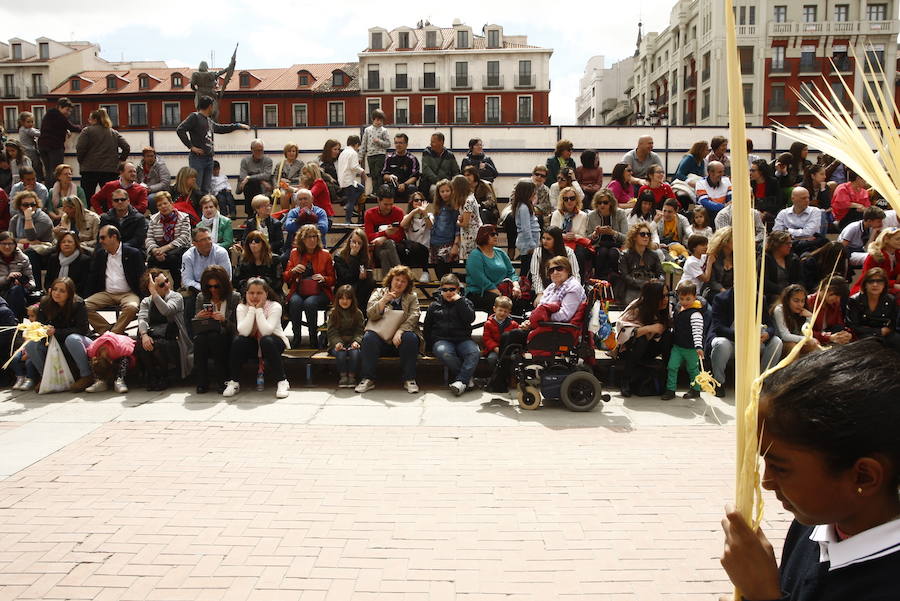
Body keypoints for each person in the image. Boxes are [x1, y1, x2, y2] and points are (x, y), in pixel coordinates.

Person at [719, 339, 900, 601]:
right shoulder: (813, 526)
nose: (766, 481)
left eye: (780, 467)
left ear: (864, 476)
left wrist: (763, 595)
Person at [355, 265, 423, 394]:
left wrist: (400, 331)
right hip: (381, 337)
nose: (399, 283)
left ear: (407, 284)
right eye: (397, 279)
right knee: (368, 337)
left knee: (411, 337)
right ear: (391, 280)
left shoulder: (411, 296)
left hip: (400, 340)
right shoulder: (378, 293)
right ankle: (368, 378)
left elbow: (415, 315)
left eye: (403, 281)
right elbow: (370, 314)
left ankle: (409, 379)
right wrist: (383, 301)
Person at [707, 286, 783, 397]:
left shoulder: (759, 298)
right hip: (731, 341)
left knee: (776, 342)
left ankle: (762, 381)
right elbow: (718, 327)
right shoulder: (721, 298)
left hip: (754, 342)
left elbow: (770, 324)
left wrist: (767, 334)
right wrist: (742, 336)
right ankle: (718, 382)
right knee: (721, 344)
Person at [22, 277, 93, 392]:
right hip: (53, 340)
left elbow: (82, 329)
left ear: (69, 293)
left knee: (72, 339)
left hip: (79, 339)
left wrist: (56, 332)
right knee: (31, 344)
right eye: (55, 289)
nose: (57, 293)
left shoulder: (78, 303)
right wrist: (41, 330)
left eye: (62, 291)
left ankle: (86, 376)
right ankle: (46, 377)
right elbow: (40, 325)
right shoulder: (45, 303)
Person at [223, 277, 290, 399]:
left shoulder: (275, 306)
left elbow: (266, 331)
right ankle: (234, 381)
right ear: (246, 293)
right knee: (238, 341)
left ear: (266, 293)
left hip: (273, 343)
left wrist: (258, 309)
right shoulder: (241, 307)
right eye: (251, 293)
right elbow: (243, 331)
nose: (255, 296)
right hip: (253, 344)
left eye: (259, 293)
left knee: (266, 340)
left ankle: (282, 381)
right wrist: (251, 310)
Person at [176, 95, 250, 194]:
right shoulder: (195, 117)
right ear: (210, 106)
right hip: (198, 158)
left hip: (209, 158)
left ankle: (204, 204)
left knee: (206, 189)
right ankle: (195, 204)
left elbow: (220, 128)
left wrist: (237, 125)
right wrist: (191, 147)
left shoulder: (208, 121)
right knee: (196, 188)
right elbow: (180, 129)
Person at [136, 269, 193, 391]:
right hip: (155, 335)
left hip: (174, 338)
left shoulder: (176, 296)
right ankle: (152, 376)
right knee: (142, 344)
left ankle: (164, 377)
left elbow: (167, 310)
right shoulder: (146, 301)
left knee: (158, 345)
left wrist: (154, 293)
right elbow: (142, 318)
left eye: (167, 281)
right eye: (162, 285)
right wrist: (144, 335)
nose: (167, 285)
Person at [613, 280, 671, 397]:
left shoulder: (666, 308)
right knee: (641, 340)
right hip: (629, 349)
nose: (665, 299)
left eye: (667, 295)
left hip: (651, 348)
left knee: (668, 336)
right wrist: (649, 328)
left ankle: (668, 381)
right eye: (662, 296)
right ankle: (625, 381)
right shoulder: (637, 308)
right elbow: (622, 331)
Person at [425, 273, 479, 396]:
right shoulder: (434, 306)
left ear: (458, 289)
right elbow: (427, 328)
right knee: (445, 353)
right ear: (441, 290)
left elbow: (470, 318)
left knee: (474, 352)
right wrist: (428, 346)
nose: (448, 292)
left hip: (463, 339)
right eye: (445, 290)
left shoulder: (466, 302)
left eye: (452, 289)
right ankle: (466, 378)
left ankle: (460, 381)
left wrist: (459, 302)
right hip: (442, 340)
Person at [85, 225, 144, 335]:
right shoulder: (100, 254)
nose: (100, 241)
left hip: (128, 293)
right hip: (107, 293)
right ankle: (108, 332)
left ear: (114, 237)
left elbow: (142, 277)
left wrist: (143, 297)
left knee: (132, 307)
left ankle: (113, 335)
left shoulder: (133, 253)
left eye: (103, 238)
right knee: (82, 306)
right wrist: (87, 295)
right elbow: (93, 277)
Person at [284, 225, 335, 349]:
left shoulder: (325, 255)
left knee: (310, 303)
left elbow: (333, 280)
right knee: (295, 302)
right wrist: (293, 271)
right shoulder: (294, 253)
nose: (312, 240)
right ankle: (297, 337)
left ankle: (313, 338)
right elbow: (285, 277)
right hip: (299, 290)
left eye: (314, 236)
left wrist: (324, 278)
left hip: (320, 291)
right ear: (302, 239)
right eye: (308, 237)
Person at [192, 265, 240, 394]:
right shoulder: (202, 297)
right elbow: (195, 326)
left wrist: (224, 320)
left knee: (215, 337)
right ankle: (202, 381)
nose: (213, 290)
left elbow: (237, 328)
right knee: (200, 339)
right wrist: (198, 317)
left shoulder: (234, 297)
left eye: (216, 286)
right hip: (205, 335)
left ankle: (222, 379)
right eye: (209, 286)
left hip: (226, 336)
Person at [662, 280, 704, 401]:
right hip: (677, 346)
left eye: (688, 299)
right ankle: (670, 390)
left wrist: (698, 347)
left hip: (691, 349)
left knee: (693, 369)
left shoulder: (696, 314)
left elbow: (697, 331)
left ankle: (696, 389)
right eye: (681, 299)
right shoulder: (677, 308)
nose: (684, 302)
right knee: (672, 366)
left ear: (695, 297)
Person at [181, 227, 232, 327]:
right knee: (189, 302)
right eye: (203, 240)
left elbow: (227, 277)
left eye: (209, 238)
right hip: (198, 290)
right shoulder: (188, 256)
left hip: (220, 287)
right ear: (194, 243)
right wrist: (205, 289)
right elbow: (187, 280)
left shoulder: (221, 252)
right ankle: (192, 332)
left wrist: (213, 288)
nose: (208, 242)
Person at [76, 108, 130, 198]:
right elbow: (126, 147)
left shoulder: (87, 131)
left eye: (90, 119)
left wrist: (81, 161)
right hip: (110, 170)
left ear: (95, 119)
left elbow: (80, 148)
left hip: (89, 169)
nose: (89, 121)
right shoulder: (114, 133)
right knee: (110, 198)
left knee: (87, 196)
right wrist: (120, 160)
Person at [465, 224, 520, 313]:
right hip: (480, 292)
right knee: (497, 301)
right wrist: (496, 291)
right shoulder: (475, 255)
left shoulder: (500, 252)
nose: (495, 236)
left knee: (520, 297)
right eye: (492, 234)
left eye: (496, 234)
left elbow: (511, 272)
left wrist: (516, 286)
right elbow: (479, 278)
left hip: (503, 289)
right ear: (483, 236)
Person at [145, 191, 192, 288]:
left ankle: (177, 287)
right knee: (152, 260)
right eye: (160, 205)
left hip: (180, 248)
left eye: (165, 203)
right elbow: (149, 238)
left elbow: (184, 237)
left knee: (172, 258)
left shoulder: (183, 217)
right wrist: (155, 250)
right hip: (159, 250)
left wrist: (165, 249)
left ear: (171, 203)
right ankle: (153, 287)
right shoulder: (153, 219)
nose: (163, 206)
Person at [846, 267, 900, 350]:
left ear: (884, 285)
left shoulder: (891, 300)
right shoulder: (854, 300)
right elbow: (853, 326)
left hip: (885, 334)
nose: (875, 284)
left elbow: (893, 323)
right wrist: (878, 331)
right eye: (871, 281)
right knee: (872, 344)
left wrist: (887, 330)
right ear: (865, 284)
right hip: (862, 335)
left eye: (879, 281)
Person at [326, 284, 366, 388]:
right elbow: (332, 331)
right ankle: (343, 376)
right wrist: (337, 343)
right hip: (337, 344)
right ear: (337, 299)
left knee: (355, 353)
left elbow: (360, 330)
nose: (345, 301)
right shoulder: (333, 313)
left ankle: (352, 376)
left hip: (353, 342)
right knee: (341, 353)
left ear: (352, 300)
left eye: (348, 298)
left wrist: (356, 341)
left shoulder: (358, 313)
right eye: (342, 298)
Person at [586, 189, 629, 280]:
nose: (602, 205)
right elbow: (587, 239)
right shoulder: (591, 215)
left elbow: (626, 238)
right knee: (602, 252)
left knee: (613, 253)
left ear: (611, 203)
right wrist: (595, 234)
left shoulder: (620, 213)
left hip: (617, 245)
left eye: (605, 202)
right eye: (599, 203)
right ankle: (599, 280)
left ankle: (615, 280)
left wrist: (612, 232)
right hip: (599, 245)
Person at [37, 97, 80, 188]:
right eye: (67, 110)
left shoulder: (49, 114)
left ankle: (49, 190)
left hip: (42, 145)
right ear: (60, 107)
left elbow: (55, 127)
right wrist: (83, 128)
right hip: (54, 146)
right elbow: (72, 127)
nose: (68, 113)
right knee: (56, 171)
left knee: (48, 171)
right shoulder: (59, 116)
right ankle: (54, 190)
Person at [618, 222, 663, 305]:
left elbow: (660, 273)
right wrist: (643, 284)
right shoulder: (625, 255)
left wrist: (658, 281)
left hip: (651, 288)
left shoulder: (654, 255)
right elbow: (624, 276)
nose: (646, 236)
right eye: (642, 234)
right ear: (634, 237)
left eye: (648, 234)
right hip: (632, 288)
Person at [530, 227, 578, 304]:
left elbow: (575, 274)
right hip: (544, 288)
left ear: (557, 240)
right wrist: (540, 293)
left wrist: (573, 292)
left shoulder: (568, 252)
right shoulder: (538, 252)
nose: (544, 241)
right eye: (543, 238)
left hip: (566, 288)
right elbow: (536, 275)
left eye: (548, 239)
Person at [773, 187, 826, 255]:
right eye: (803, 198)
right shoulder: (783, 213)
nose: (807, 200)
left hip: (808, 246)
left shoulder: (815, 211)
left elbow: (808, 232)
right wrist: (801, 238)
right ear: (793, 199)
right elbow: (776, 234)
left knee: (806, 256)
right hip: (787, 246)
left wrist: (787, 231)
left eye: (808, 198)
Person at [549, 186, 589, 275]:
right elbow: (552, 232)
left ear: (576, 200)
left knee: (580, 254)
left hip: (576, 242)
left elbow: (583, 235)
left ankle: (579, 279)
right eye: (566, 199)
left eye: (572, 198)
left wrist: (574, 236)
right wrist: (563, 236)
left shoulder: (583, 215)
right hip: (560, 242)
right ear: (562, 201)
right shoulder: (556, 214)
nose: (569, 201)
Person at [364, 185, 406, 270]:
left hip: (395, 246)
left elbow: (400, 235)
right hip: (376, 247)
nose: (388, 207)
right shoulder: (369, 214)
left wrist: (385, 237)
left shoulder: (398, 212)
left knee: (384, 253)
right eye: (386, 204)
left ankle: (392, 278)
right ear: (378, 200)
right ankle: (400, 272)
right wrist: (386, 233)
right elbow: (368, 237)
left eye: (391, 204)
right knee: (388, 244)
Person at [772, 284, 821, 357]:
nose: (800, 304)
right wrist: (806, 339)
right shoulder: (779, 310)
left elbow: (805, 333)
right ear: (787, 300)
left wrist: (809, 317)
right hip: (779, 343)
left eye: (802, 301)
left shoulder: (801, 312)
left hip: (795, 341)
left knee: (814, 346)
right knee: (793, 348)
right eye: (796, 301)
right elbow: (785, 336)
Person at [333, 228, 375, 310]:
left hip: (359, 284)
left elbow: (364, 271)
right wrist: (353, 256)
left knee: (369, 282)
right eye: (354, 241)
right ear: (349, 241)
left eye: (359, 243)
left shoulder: (364, 256)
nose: (356, 245)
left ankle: (362, 312)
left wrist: (363, 275)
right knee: (358, 289)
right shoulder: (339, 256)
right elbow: (345, 277)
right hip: (344, 285)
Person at [851, 227, 900, 297]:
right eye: (898, 239)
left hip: (887, 288)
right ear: (886, 239)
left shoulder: (897, 255)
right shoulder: (874, 256)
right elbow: (870, 279)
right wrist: (894, 285)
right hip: (870, 289)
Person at [232, 229, 281, 295]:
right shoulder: (243, 260)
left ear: (263, 243)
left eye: (257, 241)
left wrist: (262, 283)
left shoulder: (275, 259)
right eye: (250, 241)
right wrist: (249, 284)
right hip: (248, 293)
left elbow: (278, 282)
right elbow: (236, 281)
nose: (253, 243)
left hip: (270, 293)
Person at [808, 276, 853, 346]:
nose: (838, 300)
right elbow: (805, 332)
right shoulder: (808, 302)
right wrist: (829, 337)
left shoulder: (834, 304)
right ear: (826, 289)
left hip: (829, 338)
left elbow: (840, 325)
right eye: (836, 295)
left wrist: (847, 334)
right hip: (814, 341)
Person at [761, 230, 802, 308]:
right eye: (787, 243)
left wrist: (794, 291)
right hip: (772, 295)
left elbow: (800, 279)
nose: (790, 246)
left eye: (791, 243)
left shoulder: (794, 259)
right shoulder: (765, 259)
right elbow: (764, 282)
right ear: (776, 245)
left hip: (792, 294)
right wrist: (784, 291)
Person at [0, 231, 36, 319]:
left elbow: (32, 283)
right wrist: (7, 278)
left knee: (16, 290)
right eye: (3, 243)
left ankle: (14, 321)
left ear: (15, 245)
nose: (7, 246)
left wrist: (24, 283)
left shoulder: (23, 259)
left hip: (18, 293)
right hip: (1, 291)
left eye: (10, 244)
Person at [44, 231, 91, 298]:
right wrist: (50, 289)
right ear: (59, 244)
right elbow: (48, 279)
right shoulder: (53, 258)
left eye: (70, 242)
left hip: (75, 295)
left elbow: (83, 283)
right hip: (55, 293)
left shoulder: (84, 260)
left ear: (75, 244)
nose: (66, 244)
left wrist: (67, 293)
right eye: (63, 242)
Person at [399, 191, 433, 282]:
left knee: (414, 247)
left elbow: (430, 226)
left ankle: (425, 272)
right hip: (411, 250)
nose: (419, 202)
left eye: (421, 200)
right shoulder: (408, 217)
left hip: (424, 249)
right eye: (416, 200)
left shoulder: (429, 215)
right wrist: (414, 211)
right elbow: (402, 225)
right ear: (412, 202)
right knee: (402, 246)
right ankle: (407, 274)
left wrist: (424, 213)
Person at [481, 295, 519, 371]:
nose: (502, 313)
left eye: (505, 311)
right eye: (500, 310)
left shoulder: (513, 324)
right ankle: (493, 375)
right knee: (492, 359)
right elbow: (487, 338)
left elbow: (517, 336)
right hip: (494, 350)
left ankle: (510, 376)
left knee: (514, 360)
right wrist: (495, 348)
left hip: (508, 350)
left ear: (509, 312)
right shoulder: (488, 324)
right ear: (494, 309)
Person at [513, 180, 541, 276]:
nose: (534, 193)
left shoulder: (526, 205)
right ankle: (523, 283)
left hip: (531, 242)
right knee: (526, 268)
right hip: (527, 244)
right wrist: (532, 245)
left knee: (530, 267)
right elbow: (526, 228)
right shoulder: (523, 207)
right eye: (532, 191)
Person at [236, 139, 273, 214]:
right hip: (250, 186)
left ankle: (255, 214)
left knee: (251, 184)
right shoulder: (245, 161)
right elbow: (243, 176)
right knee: (249, 185)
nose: (260, 152)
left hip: (263, 188)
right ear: (252, 149)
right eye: (257, 150)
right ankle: (251, 214)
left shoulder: (268, 160)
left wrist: (250, 177)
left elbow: (266, 175)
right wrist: (261, 180)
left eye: (261, 150)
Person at [420, 132, 460, 200]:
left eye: (433, 142)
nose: (431, 144)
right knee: (435, 190)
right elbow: (426, 170)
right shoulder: (426, 153)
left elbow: (456, 171)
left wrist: (451, 183)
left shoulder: (450, 155)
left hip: (447, 183)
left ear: (441, 142)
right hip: (432, 183)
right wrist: (439, 182)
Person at [381, 133, 420, 202]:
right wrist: (389, 177)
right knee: (385, 188)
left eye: (401, 143)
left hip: (407, 185)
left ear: (406, 144)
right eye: (396, 143)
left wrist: (404, 184)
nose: (398, 145)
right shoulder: (389, 158)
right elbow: (384, 175)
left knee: (413, 188)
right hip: (393, 185)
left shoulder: (412, 159)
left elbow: (415, 177)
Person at [701, 226, 735, 301]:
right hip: (715, 292)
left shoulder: (738, 258)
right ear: (725, 242)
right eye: (734, 239)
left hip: (731, 292)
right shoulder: (712, 256)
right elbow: (712, 282)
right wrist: (725, 292)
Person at [337, 135, 365, 220]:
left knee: (361, 188)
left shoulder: (343, 153)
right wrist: (362, 171)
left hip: (343, 179)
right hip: (348, 181)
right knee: (351, 200)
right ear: (356, 144)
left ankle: (348, 204)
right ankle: (348, 221)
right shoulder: (353, 153)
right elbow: (354, 166)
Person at [136, 146, 171, 213]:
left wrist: (150, 189)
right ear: (144, 157)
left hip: (159, 191)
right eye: (148, 156)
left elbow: (165, 182)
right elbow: (136, 180)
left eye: (152, 156)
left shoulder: (161, 166)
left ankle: (155, 215)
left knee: (151, 199)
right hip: (143, 190)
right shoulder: (139, 167)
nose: (150, 158)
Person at [359, 109, 391, 183]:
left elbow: (388, 144)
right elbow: (363, 144)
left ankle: (380, 189)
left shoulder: (384, 130)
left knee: (379, 174)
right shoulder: (367, 130)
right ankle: (375, 189)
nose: (379, 122)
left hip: (380, 155)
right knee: (373, 175)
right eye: (377, 120)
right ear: (373, 119)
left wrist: (379, 141)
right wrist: (360, 156)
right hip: (370, 156)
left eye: (381, 120)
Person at [750, 158, 782, 229]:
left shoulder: (773, 182)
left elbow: (778, 201)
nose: (750, 173)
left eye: (753, 171)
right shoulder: (750, 183)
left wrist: (765, 213)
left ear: (761, 172)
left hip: (769, 212)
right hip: (754, 211)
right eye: (750, 170)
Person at [800, 164, 832, 230]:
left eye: (825, 174)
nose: (825, 177)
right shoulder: (803, 188)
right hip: (806, 215)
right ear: (813, 176)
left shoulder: (825, 187)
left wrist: (823, 190)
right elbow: (800, 206)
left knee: (822, 214)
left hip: (822, 214)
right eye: (821, 174)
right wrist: (810, 203)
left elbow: (826, 205)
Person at [17, 111, 42, 182]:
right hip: (30, 151)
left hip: (25, 151)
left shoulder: (22, 129)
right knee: (36, 167)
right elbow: (39, 133)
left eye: (32, 122)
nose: (31, 124)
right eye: (28, 122)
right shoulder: (27, 130)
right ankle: (38, 180)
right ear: (22, 122)